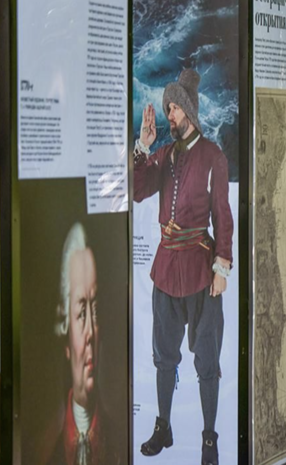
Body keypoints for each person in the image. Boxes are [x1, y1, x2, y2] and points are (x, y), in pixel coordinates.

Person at [134, 68, 233, 465]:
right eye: (167, 109)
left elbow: (223, 216)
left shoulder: (213, 156)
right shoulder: (165, 154)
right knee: (164, 356)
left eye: (172, 109)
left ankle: (209, 439)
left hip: (200, 270)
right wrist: (142, 148)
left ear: (188, 110)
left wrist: (221, 269)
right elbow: (140, 191)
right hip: (166, 269)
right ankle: (164, 426)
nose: (167, 115)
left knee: (207, 360)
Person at [47, 223, 123, 465]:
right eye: (81, 313)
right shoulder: (50, 455)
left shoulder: (122, 445)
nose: (91, 330)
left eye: (96, 310)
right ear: (65, 334)